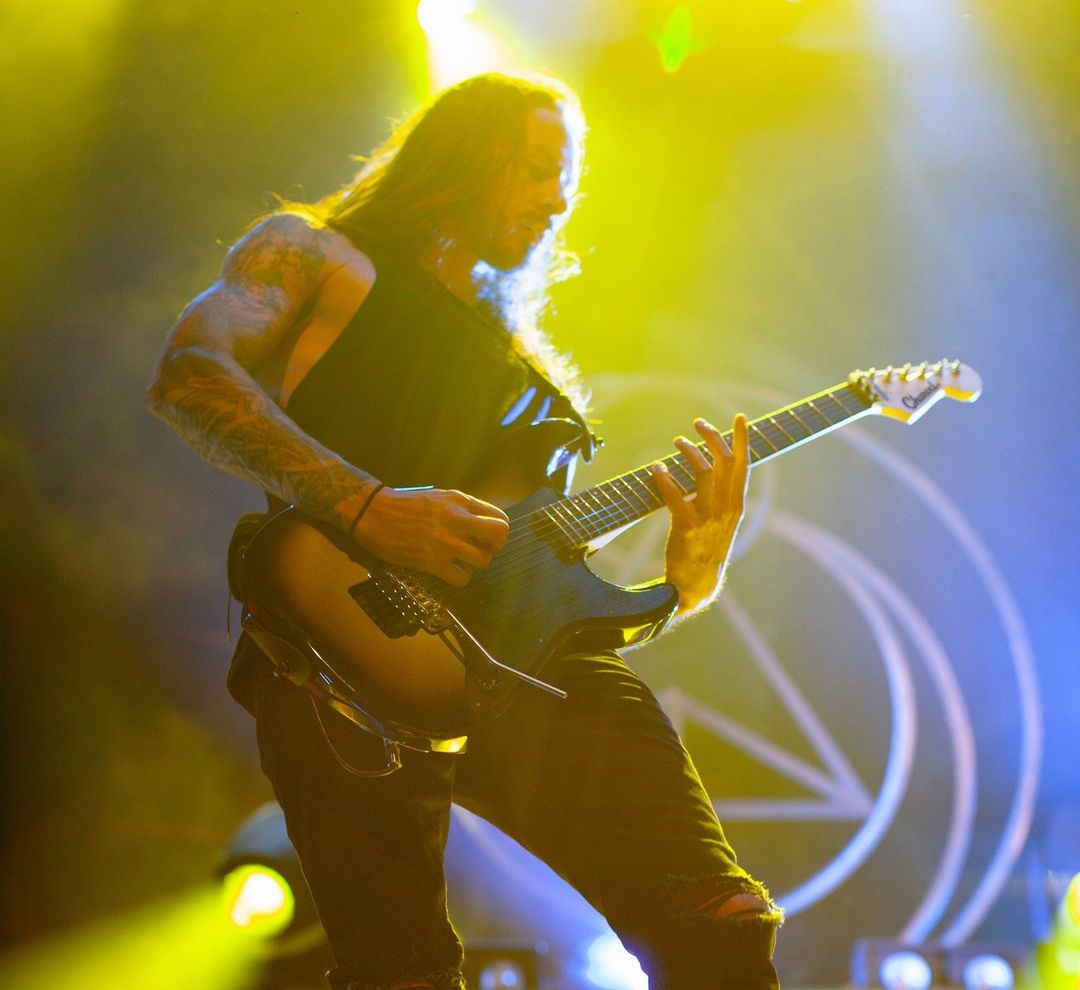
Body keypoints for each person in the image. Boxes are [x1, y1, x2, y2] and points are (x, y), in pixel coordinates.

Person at [147, 72, 783, 990]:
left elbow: (532, 566)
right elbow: (190, 376)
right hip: (336, 652)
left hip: (534, 667)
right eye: (539, 167)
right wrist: (367, 505)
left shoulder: (518, 351)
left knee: (716, 920)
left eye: (568, 181)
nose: (558, 200)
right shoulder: (315, 253)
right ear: (465, 153)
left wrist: (685, 586)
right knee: (398, 975)